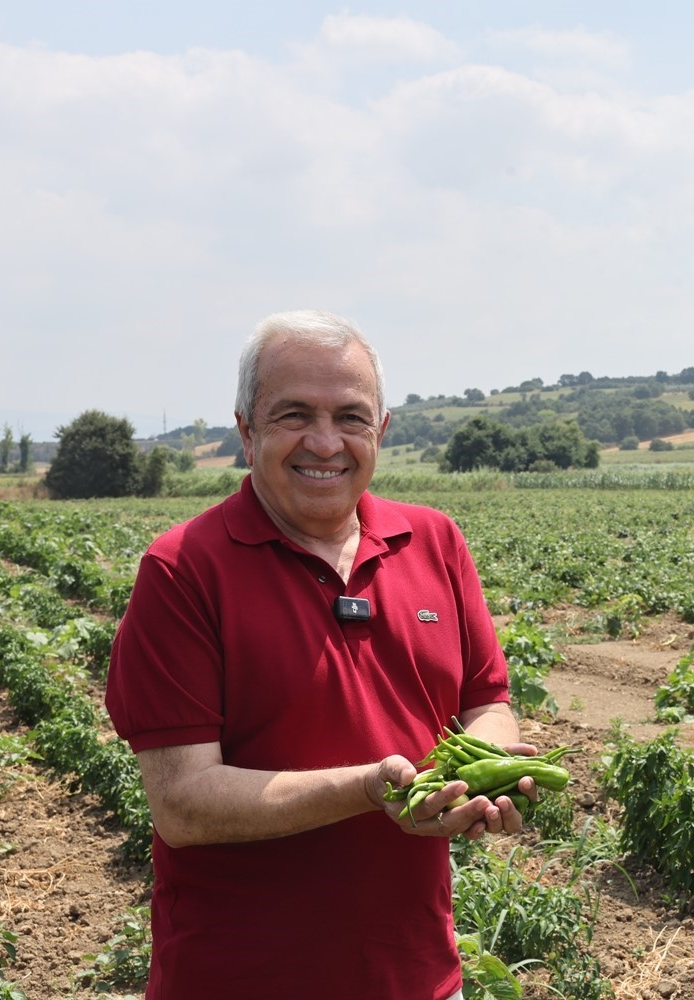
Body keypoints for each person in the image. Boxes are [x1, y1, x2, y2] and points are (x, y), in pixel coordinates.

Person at [105, 309, 534, 1000]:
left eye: (351, 417)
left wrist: (483, 777)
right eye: (295, 414)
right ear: (246, 430)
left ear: (383, 430)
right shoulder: (184, 569)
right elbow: (182, 804)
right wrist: (370, 789)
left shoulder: (436, 542)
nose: (326, 442)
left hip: (417, 975)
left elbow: (487, 701)